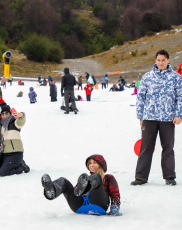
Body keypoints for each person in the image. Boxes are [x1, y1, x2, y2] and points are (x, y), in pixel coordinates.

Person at [131, 49, 182, 186]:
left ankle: (169, 177)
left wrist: (179, 115)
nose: (161, 62)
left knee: (168, 148)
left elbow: (180, 97)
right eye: (158, 60)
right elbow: (141, 97)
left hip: (168, 118)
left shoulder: (176, 77)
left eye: (163, 60)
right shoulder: (148, 77)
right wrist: (140, 116)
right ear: (155, 60)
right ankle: (141, 177)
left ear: (168, 60)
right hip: (149, 117)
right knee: (146, 147)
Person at [41, 155, 121, 216]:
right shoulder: (85, 179)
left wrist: (115, 208)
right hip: (79, 206)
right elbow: (76, 192)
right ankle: (52, 191)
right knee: (64, 181)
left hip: (98, 206)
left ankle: (87, 187)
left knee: (96, 177)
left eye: (95, 163)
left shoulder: (108, 178)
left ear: (101, 165)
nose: (91, 165)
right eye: (90, 163)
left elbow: (115, 194)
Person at [0, 104, 30, 176]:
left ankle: (21, 167)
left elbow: (20, 122)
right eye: (2, 113)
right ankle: (5, 169)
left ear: (10, 113)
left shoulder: (14, 122)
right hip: (4, 154)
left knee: (3, 173)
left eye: (6, 113)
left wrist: (21, 115)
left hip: (15, 153)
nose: (4, 115)